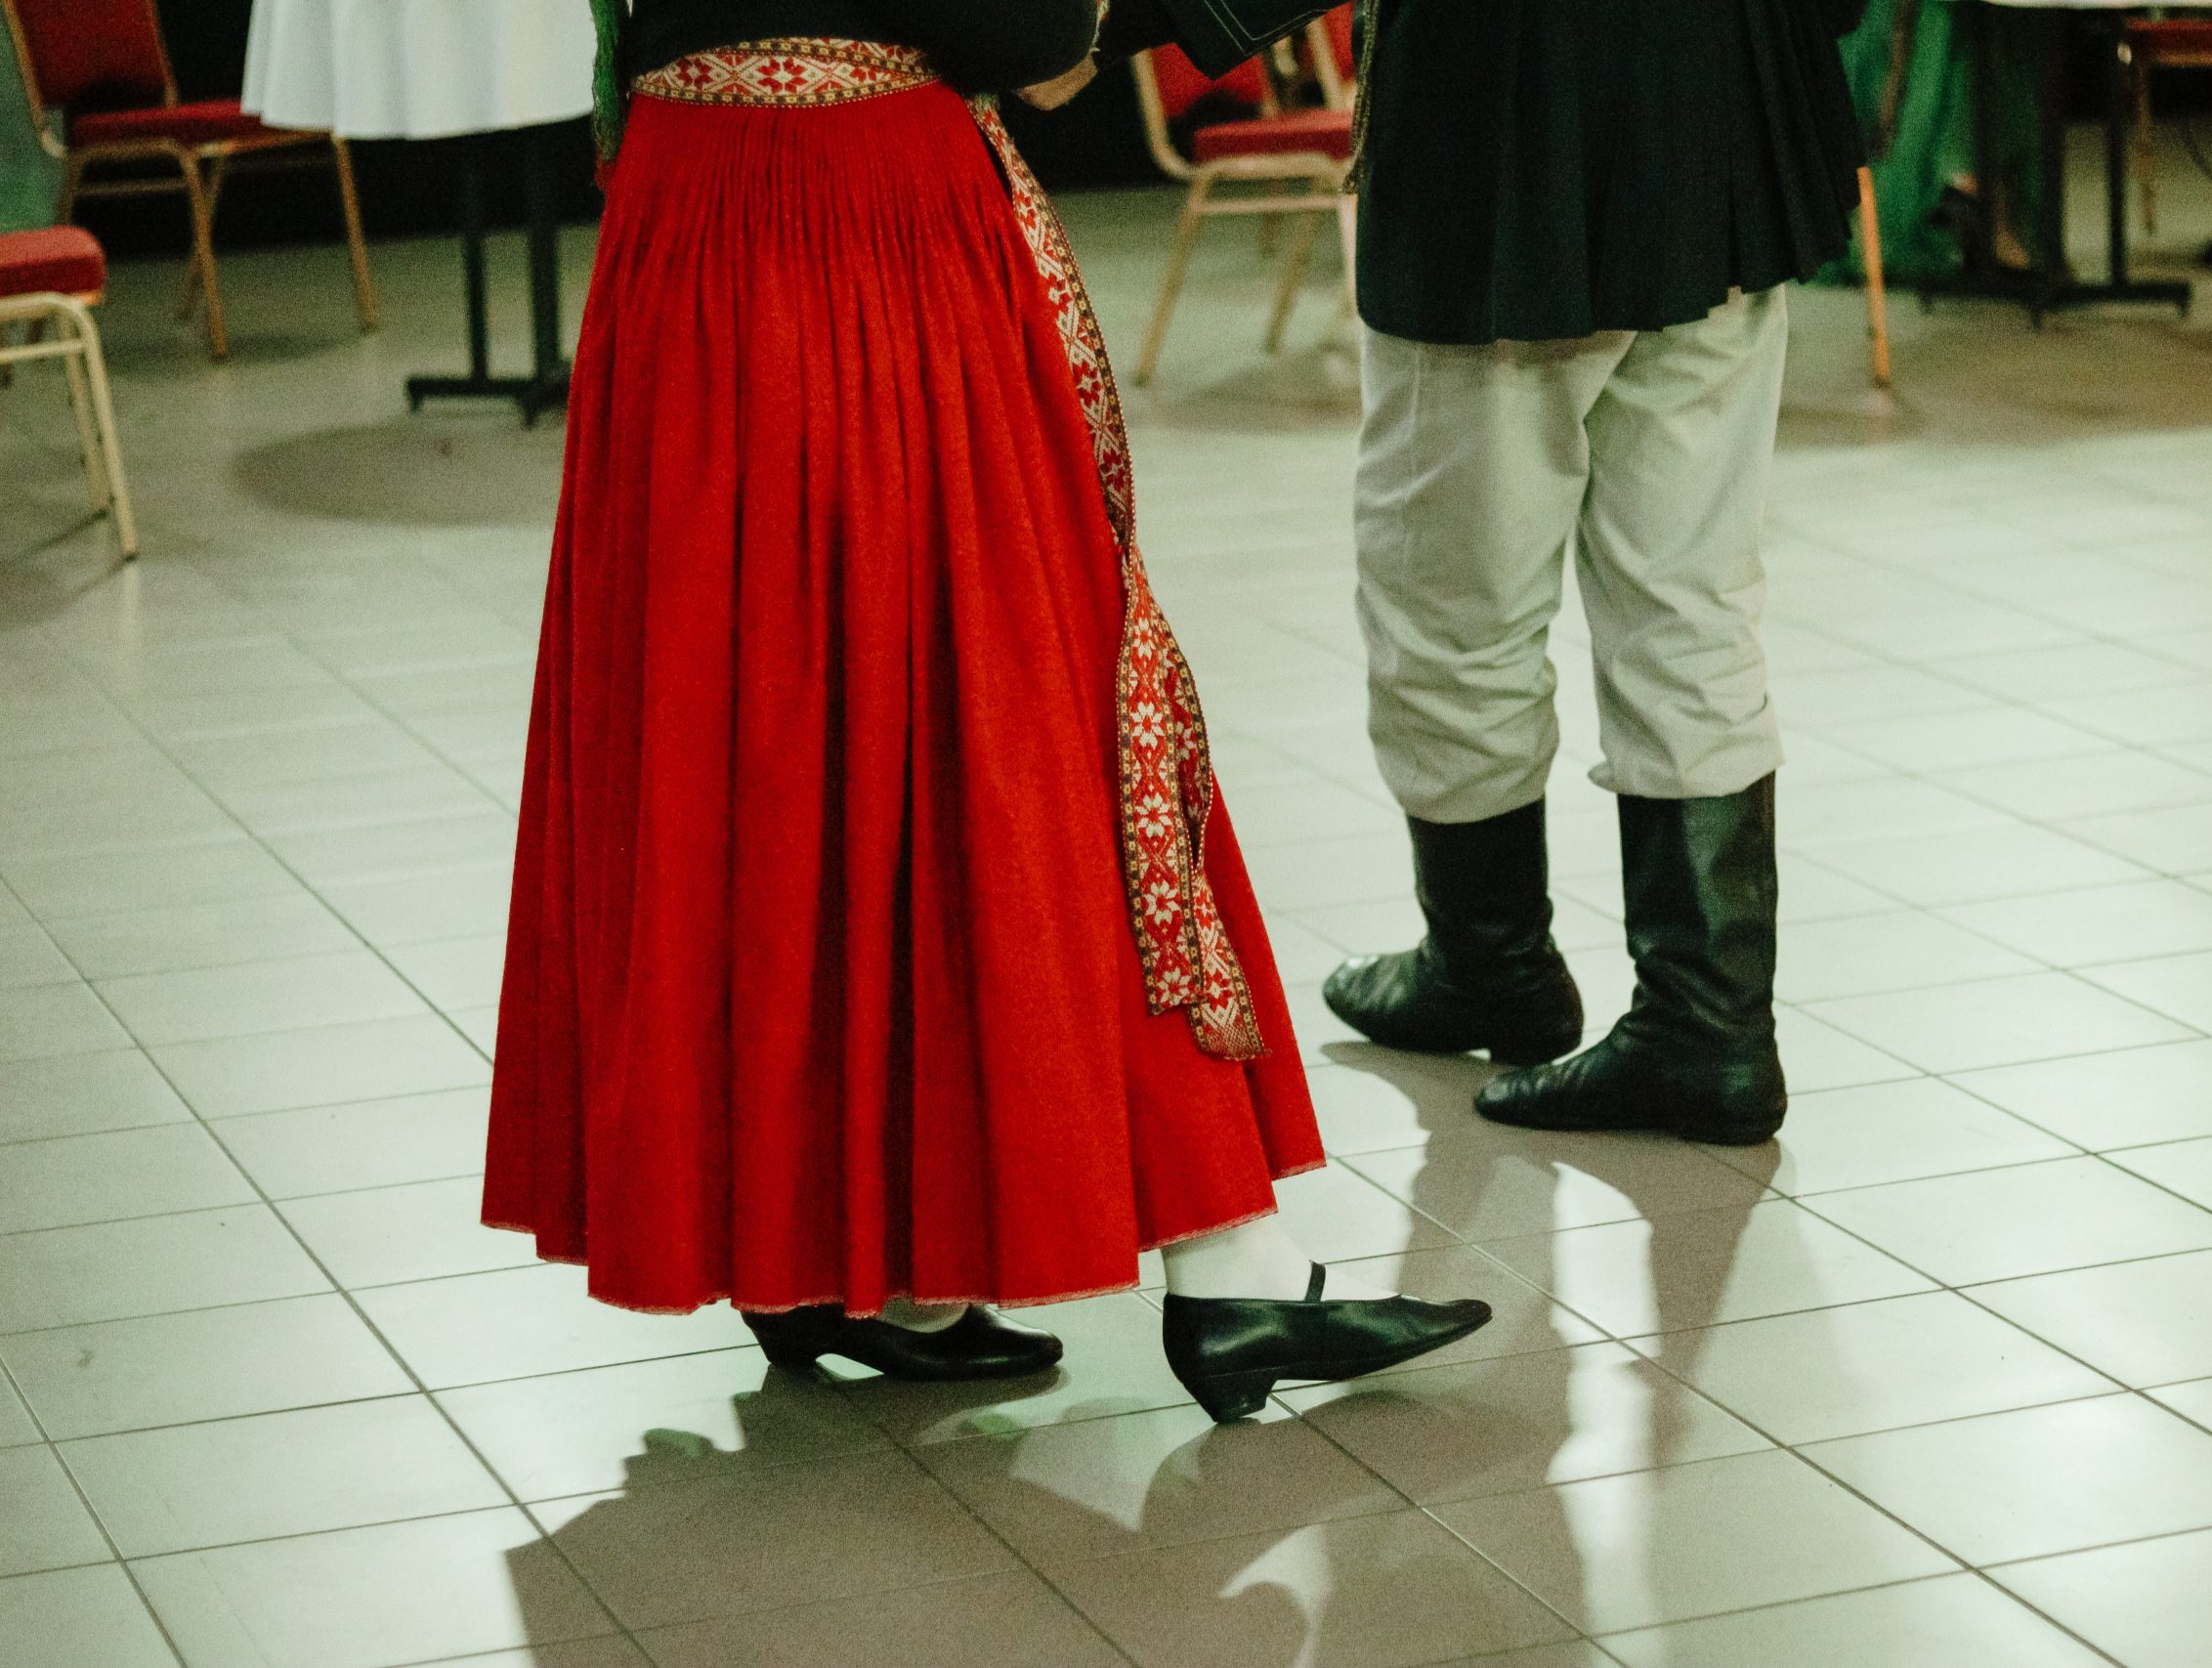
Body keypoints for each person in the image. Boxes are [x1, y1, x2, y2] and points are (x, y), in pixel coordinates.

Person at [481, 0, 1488, 1423]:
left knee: (753, 729)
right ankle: (1228, 1269)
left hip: (691, 216)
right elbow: (1009, 22)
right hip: (868, 222)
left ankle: (834, 1262)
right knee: (1020, 720)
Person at [1096, 0, 1867, 1145]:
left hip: (1505, 116)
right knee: (1690, 595)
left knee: (1449, 599)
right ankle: (1708, 1024)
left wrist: (1082, 32)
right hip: (1726, 107)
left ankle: (1487, 967)